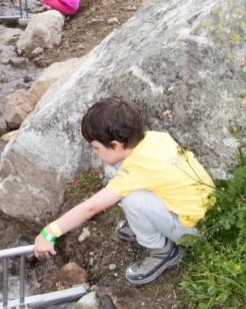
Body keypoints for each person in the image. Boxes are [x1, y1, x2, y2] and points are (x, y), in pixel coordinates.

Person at [33, 98, 213, 287]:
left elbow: (90, 208)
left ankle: (163, 251)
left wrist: (49, 232)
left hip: (194, 232)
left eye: (96, 148)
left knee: (131, 200)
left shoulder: (137, 170)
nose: (95, 152)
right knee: (136, 193)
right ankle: (147, 225)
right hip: (209, 214)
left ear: (116, 145)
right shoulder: (156, 139)